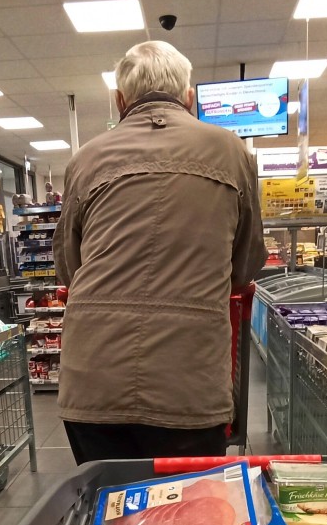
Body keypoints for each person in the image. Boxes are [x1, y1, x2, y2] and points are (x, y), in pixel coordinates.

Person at [53, 40, 266, 464]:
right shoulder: (232, 150)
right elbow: (245, 265)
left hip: (93, 376)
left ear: (119, 101)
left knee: (109, 508)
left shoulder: (86, 158)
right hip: (188, 378)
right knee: (186, 514)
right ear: (189, 97)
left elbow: (69, 267)